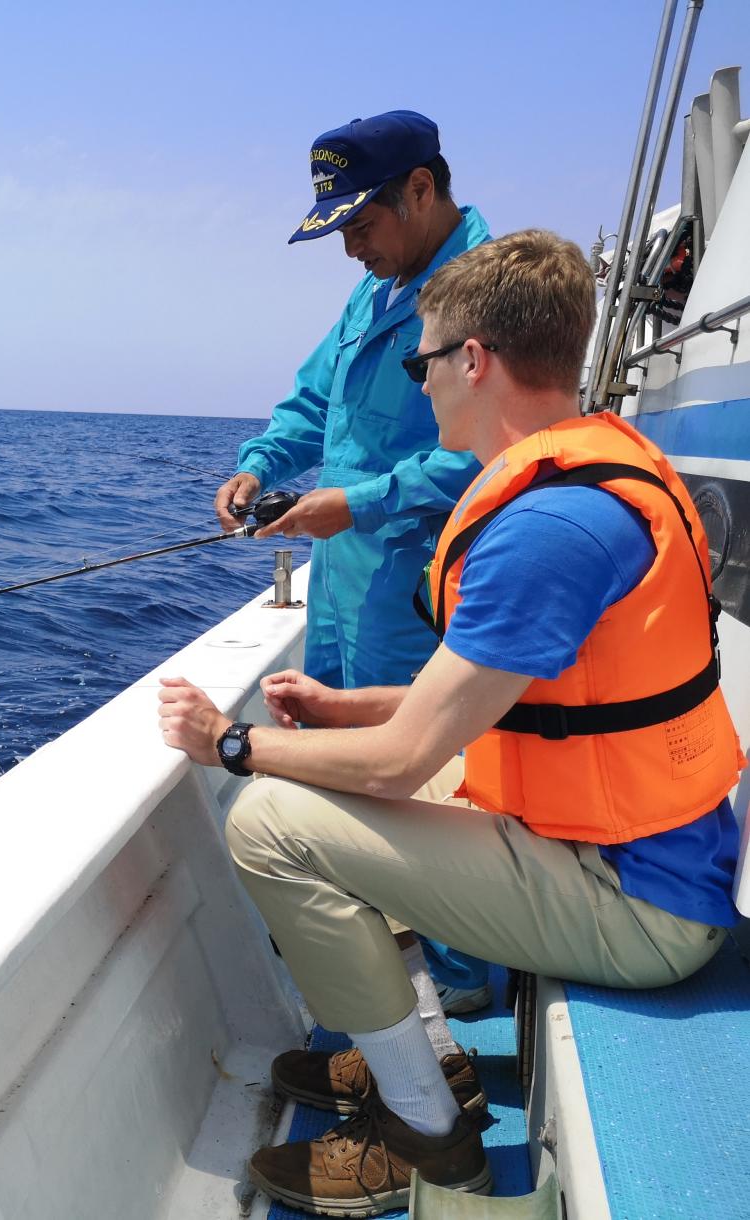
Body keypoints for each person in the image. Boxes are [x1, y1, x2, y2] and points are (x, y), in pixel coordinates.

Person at [162, 229, 743, 1216]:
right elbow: (499, 705)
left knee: (266, 820)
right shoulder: (589, 477)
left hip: (637, 905)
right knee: (322, 773)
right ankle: (425, 1060)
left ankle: (429, 1140)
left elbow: (400, 762)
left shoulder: (546, 527)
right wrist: (341, 708)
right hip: (635, 851)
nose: (419, 382)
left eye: (422, 359)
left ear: (473, 360)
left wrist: (231, 742)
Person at [220, 109, 496, 1007]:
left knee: (430, 785)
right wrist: (263, 461)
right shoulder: (377, 288)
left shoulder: (485, 289)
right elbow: (313, 394)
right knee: (344, 761)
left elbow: (486, 451)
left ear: (422, 190)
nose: (351, 250)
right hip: (343, 580)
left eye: (362, 226)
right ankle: (381, 956)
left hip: (416, 590)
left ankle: (464, 997)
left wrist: (360, 502)